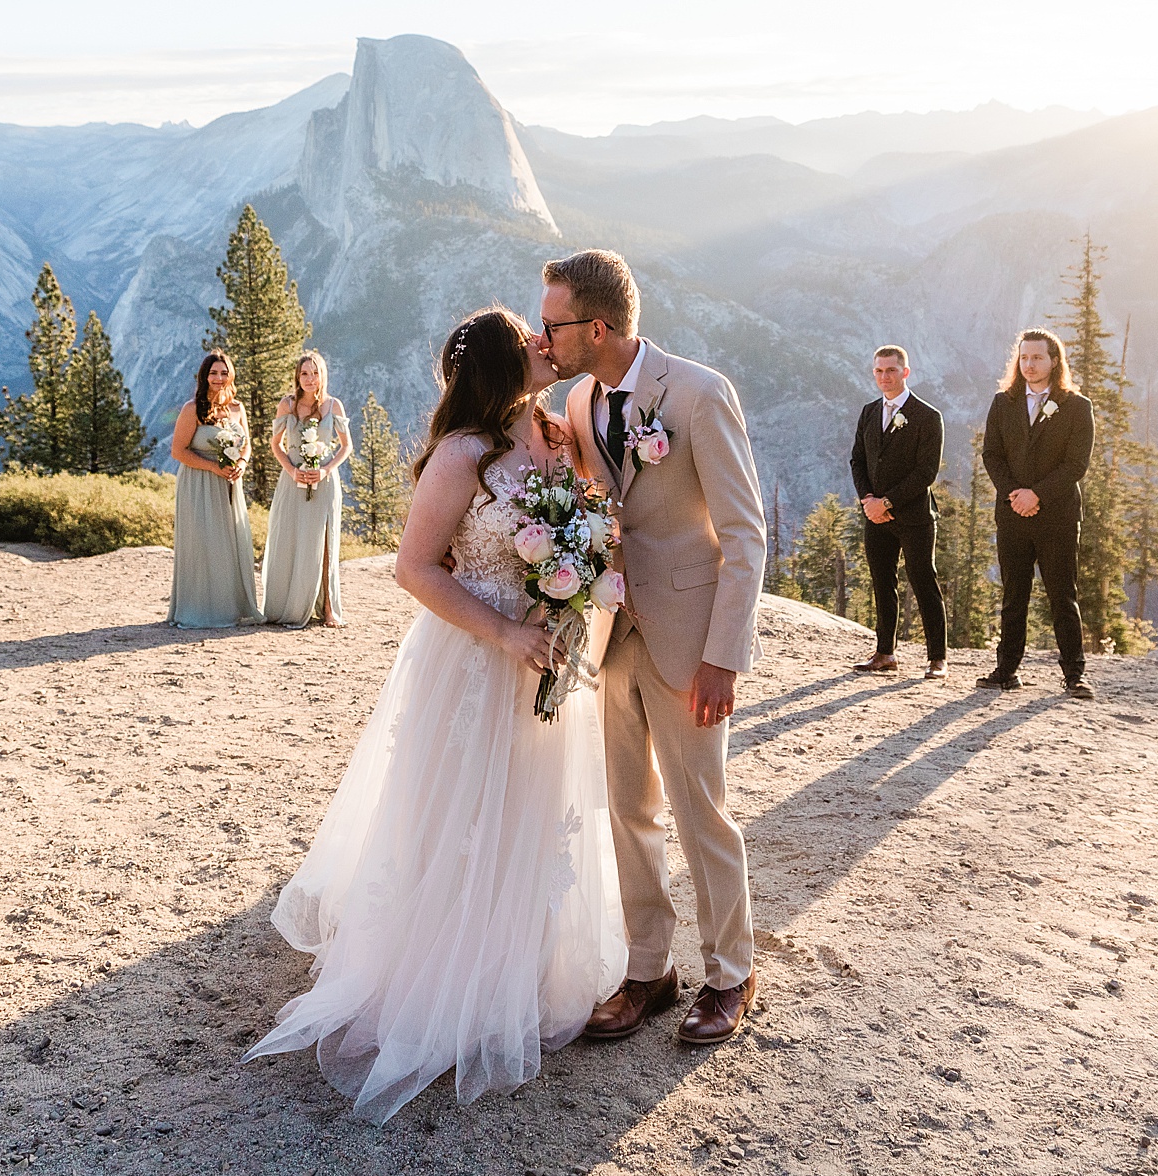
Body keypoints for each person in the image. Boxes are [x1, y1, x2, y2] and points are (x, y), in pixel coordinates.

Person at [247, 306, 624, 1123]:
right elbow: (414, 569)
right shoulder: (463, 453)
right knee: (460, 814)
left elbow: (585, 522)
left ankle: (517, 971)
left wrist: (576, 580)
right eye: (528, 335)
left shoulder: (556, 433)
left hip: (544, 654)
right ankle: (443, 985)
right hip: (474, 658)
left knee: (529, 812)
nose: (541, 342)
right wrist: (505, 630)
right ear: (498, 359)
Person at [539, 248, 768, 1047]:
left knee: (701, 810)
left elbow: (745, 535)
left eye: (553, 324)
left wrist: (723, 657)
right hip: (616, 633)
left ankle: (730, 974)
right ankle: (648, 969)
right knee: (629, 808)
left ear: (596, 326)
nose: (545, 335)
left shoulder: (700, 394)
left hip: (689, 638)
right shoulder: (575, 395)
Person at [978, 328, 1095, 699]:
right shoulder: (1003, 403)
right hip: (1012, 513)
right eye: (1024, 358)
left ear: (1054, 361)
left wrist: (1037, 495)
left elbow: (1077, 464)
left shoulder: (1077, 406)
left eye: (1037, 358)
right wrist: (1015, 495)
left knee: (1062, 594)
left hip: (1057, 515)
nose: (1029, 365)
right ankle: (1006, 671)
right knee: (1014, 594)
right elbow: (991, 455)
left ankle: (1074, 674)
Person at [847, 345, 948, 678]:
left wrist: (886, 502)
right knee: (882, 583)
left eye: (891, 370)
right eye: (878, 371)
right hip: (875, 516)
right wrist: (868, 501)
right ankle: (885, 653)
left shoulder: (928, 416)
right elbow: (858, 460)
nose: (884, 377)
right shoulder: (868, 412)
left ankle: (937, 659)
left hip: (915, 517)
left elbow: (926, 472)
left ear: (905, 372)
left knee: (923, 582)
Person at [167, 350, 264, 628]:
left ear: (230, 375)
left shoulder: (237, 408)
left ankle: (231, 608)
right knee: (203, 545)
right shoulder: (192, 409)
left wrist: (242, 464)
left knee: (230, 545)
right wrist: (212, 468)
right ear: (204, 376)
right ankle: (199, 610)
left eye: (223, 372)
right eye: (213, 373)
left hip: (230, 483)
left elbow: (246, 445)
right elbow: (178, 451)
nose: (219, 378)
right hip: (199, 484)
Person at [261, 351, 352, 627]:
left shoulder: (333, 406)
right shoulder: (287, 405)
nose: (310, 379)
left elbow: (346, 446)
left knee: (324, 543)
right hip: (292, 481)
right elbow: (275, 445)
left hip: (324, 482)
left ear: (322, 375)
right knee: (289, 539)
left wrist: (325, 469)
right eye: (304, 374)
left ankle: (327, 610)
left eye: (315, 373)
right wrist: (292, 470)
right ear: (297, 377)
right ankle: (287, 604)